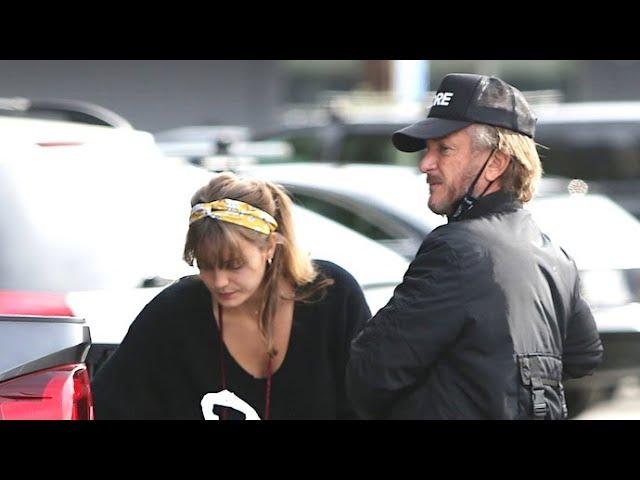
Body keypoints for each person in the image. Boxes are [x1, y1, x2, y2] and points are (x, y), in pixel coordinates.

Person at [346, 73, 604, 420]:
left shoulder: (457, 248)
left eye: (444, 149)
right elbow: (582, 357)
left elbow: (371, 369)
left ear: (496, 162)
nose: (426, 164)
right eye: (427, 149)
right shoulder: (552, 253)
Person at [91, 172, 370, 419]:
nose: (220, 281)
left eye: (234, 265)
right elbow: (110, 404)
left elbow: (372, 401)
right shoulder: (174, 312)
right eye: (206, 265)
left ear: (270, 247)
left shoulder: (332, 296)